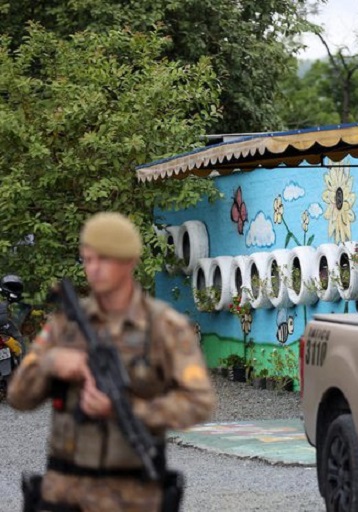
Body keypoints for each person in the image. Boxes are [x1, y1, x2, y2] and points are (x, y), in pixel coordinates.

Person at [8, 212, 215, 512]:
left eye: (104, 259)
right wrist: (50, 363)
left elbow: (199, 403)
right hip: (63, 496)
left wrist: (129, 409)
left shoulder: (165, 327)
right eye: (88, 259)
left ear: (129, 261)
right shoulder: (65, 325)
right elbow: (18, 397)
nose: (93, 269)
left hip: (133, 497)